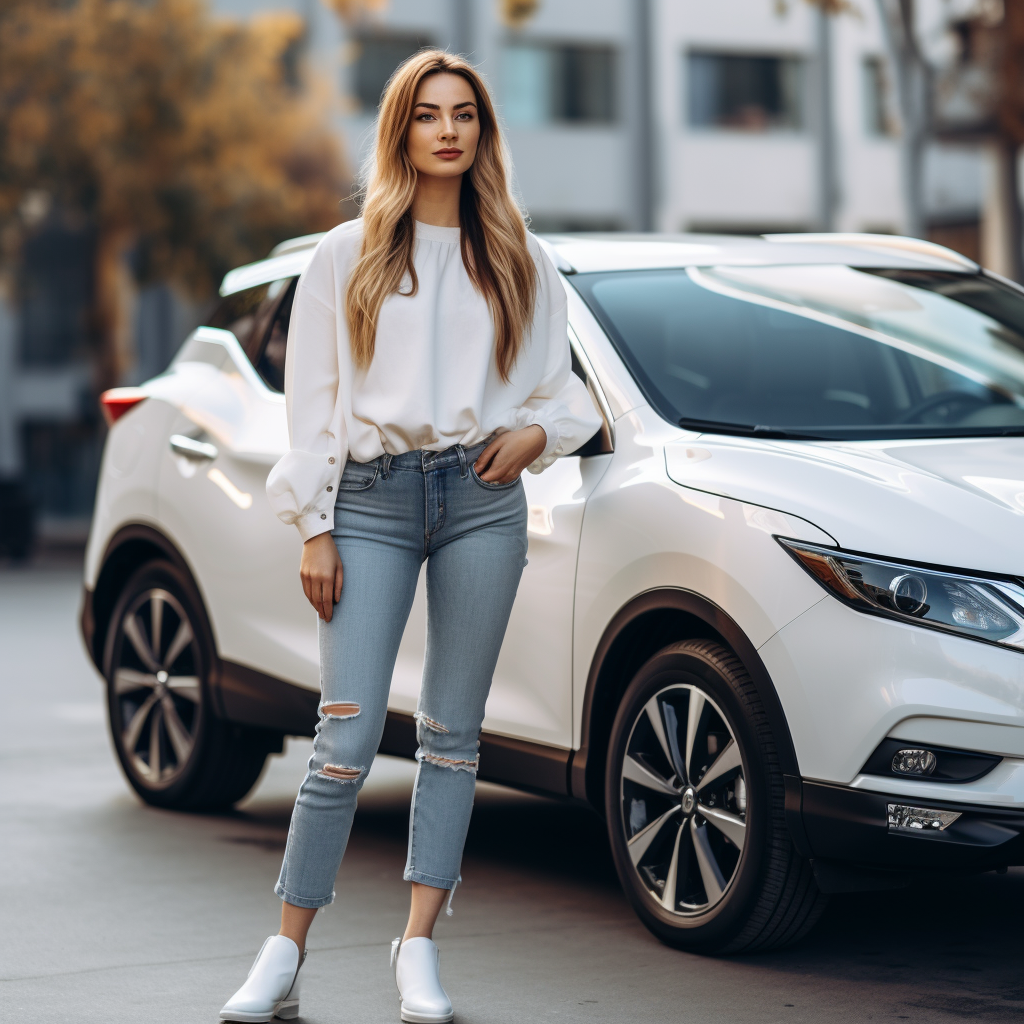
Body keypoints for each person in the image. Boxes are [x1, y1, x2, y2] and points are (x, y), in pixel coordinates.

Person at [219, 49, 601, 1024]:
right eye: (427, 113)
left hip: (481, 497)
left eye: (464, 113)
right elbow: (311, 404)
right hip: (370, 502)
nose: (447, 129)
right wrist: (313, 526)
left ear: (482, 130)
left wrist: (535, 433)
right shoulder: (344, 254)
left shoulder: (518, 253)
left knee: (452, 738)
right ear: (401, 130)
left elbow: (566, 395)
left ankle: (419, 943)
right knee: (343, 736)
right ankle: (284, 948)